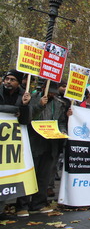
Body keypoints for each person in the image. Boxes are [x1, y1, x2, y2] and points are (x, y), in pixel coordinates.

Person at [17, 81, 66, 216]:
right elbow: (26, 117)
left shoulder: (59, 104)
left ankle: (38, 203)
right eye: (49, 91)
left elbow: (60, 121)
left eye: (54, 92)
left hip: (50, 144)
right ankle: (22, 205)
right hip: (34, 142)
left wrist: (62, 131)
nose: (51, 94)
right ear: (43, 88)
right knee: (29, 175)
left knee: (44, 176)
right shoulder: (31, 99)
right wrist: (39, 106)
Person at [0, 70, 31, 220]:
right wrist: (13, 110)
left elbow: (25, 120)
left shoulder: (23, 96)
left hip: (12, 143)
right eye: (7, 78)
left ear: (18, 83)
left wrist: (24, 106)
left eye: (12, 80)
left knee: (6, 175)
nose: (8, 82)